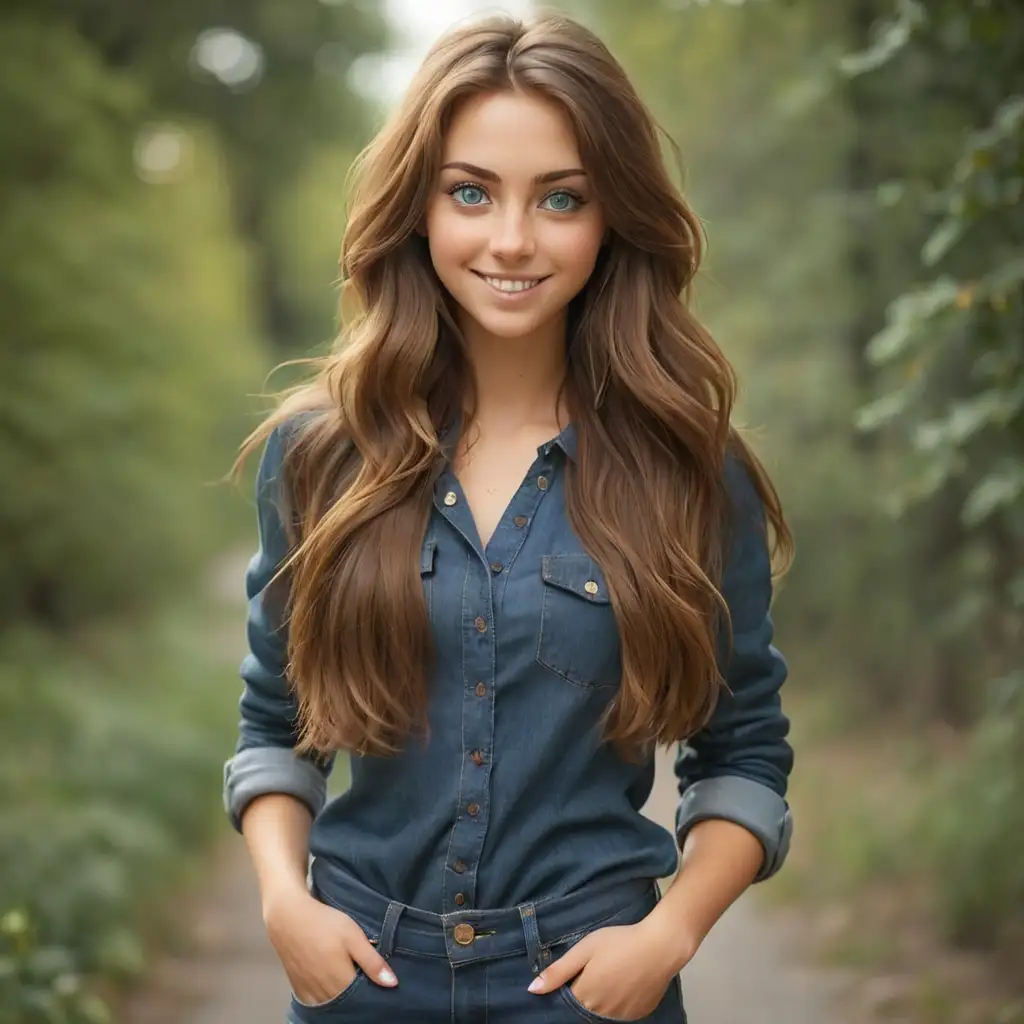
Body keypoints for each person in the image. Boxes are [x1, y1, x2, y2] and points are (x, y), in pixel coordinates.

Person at [224, 11, 794, 1024]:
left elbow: (742, 750)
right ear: (420, 208)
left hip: (589, 987)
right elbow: (278, 720)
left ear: (611, 215)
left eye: (561, 197)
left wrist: (666, 938)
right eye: (471, 192)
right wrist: (282, 903)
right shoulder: (319, 452)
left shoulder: (692, 471)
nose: (512, 239)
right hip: (360, 975)